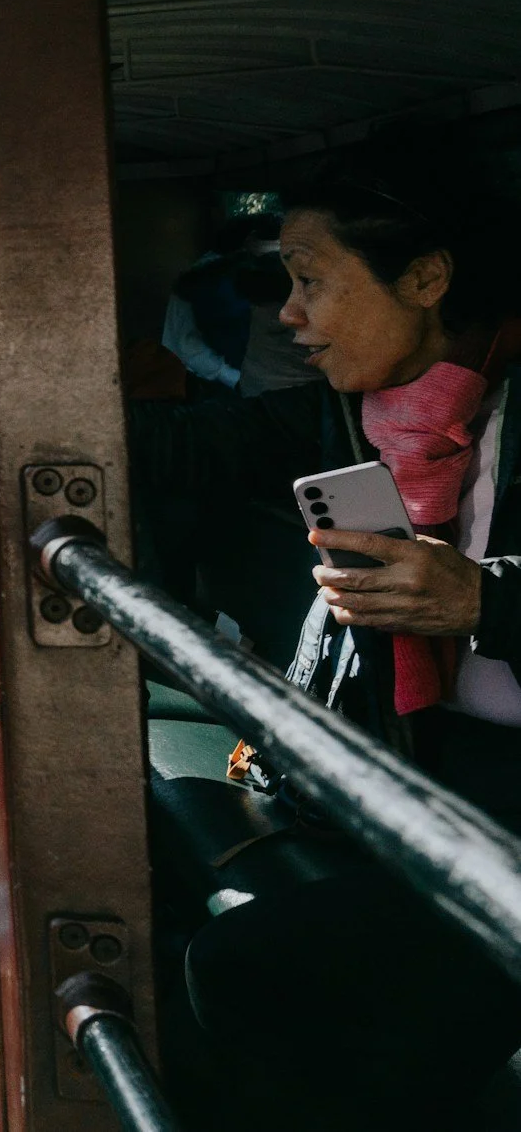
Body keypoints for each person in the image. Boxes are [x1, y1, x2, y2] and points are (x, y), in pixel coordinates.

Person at [135, 149, 521, 1129]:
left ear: (427, 278)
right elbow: (179, 446)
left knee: (244, 966)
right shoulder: (353, 415)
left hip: (498, 804)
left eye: (310, 279)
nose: (289, 313)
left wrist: (486, 602)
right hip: (427, 773)